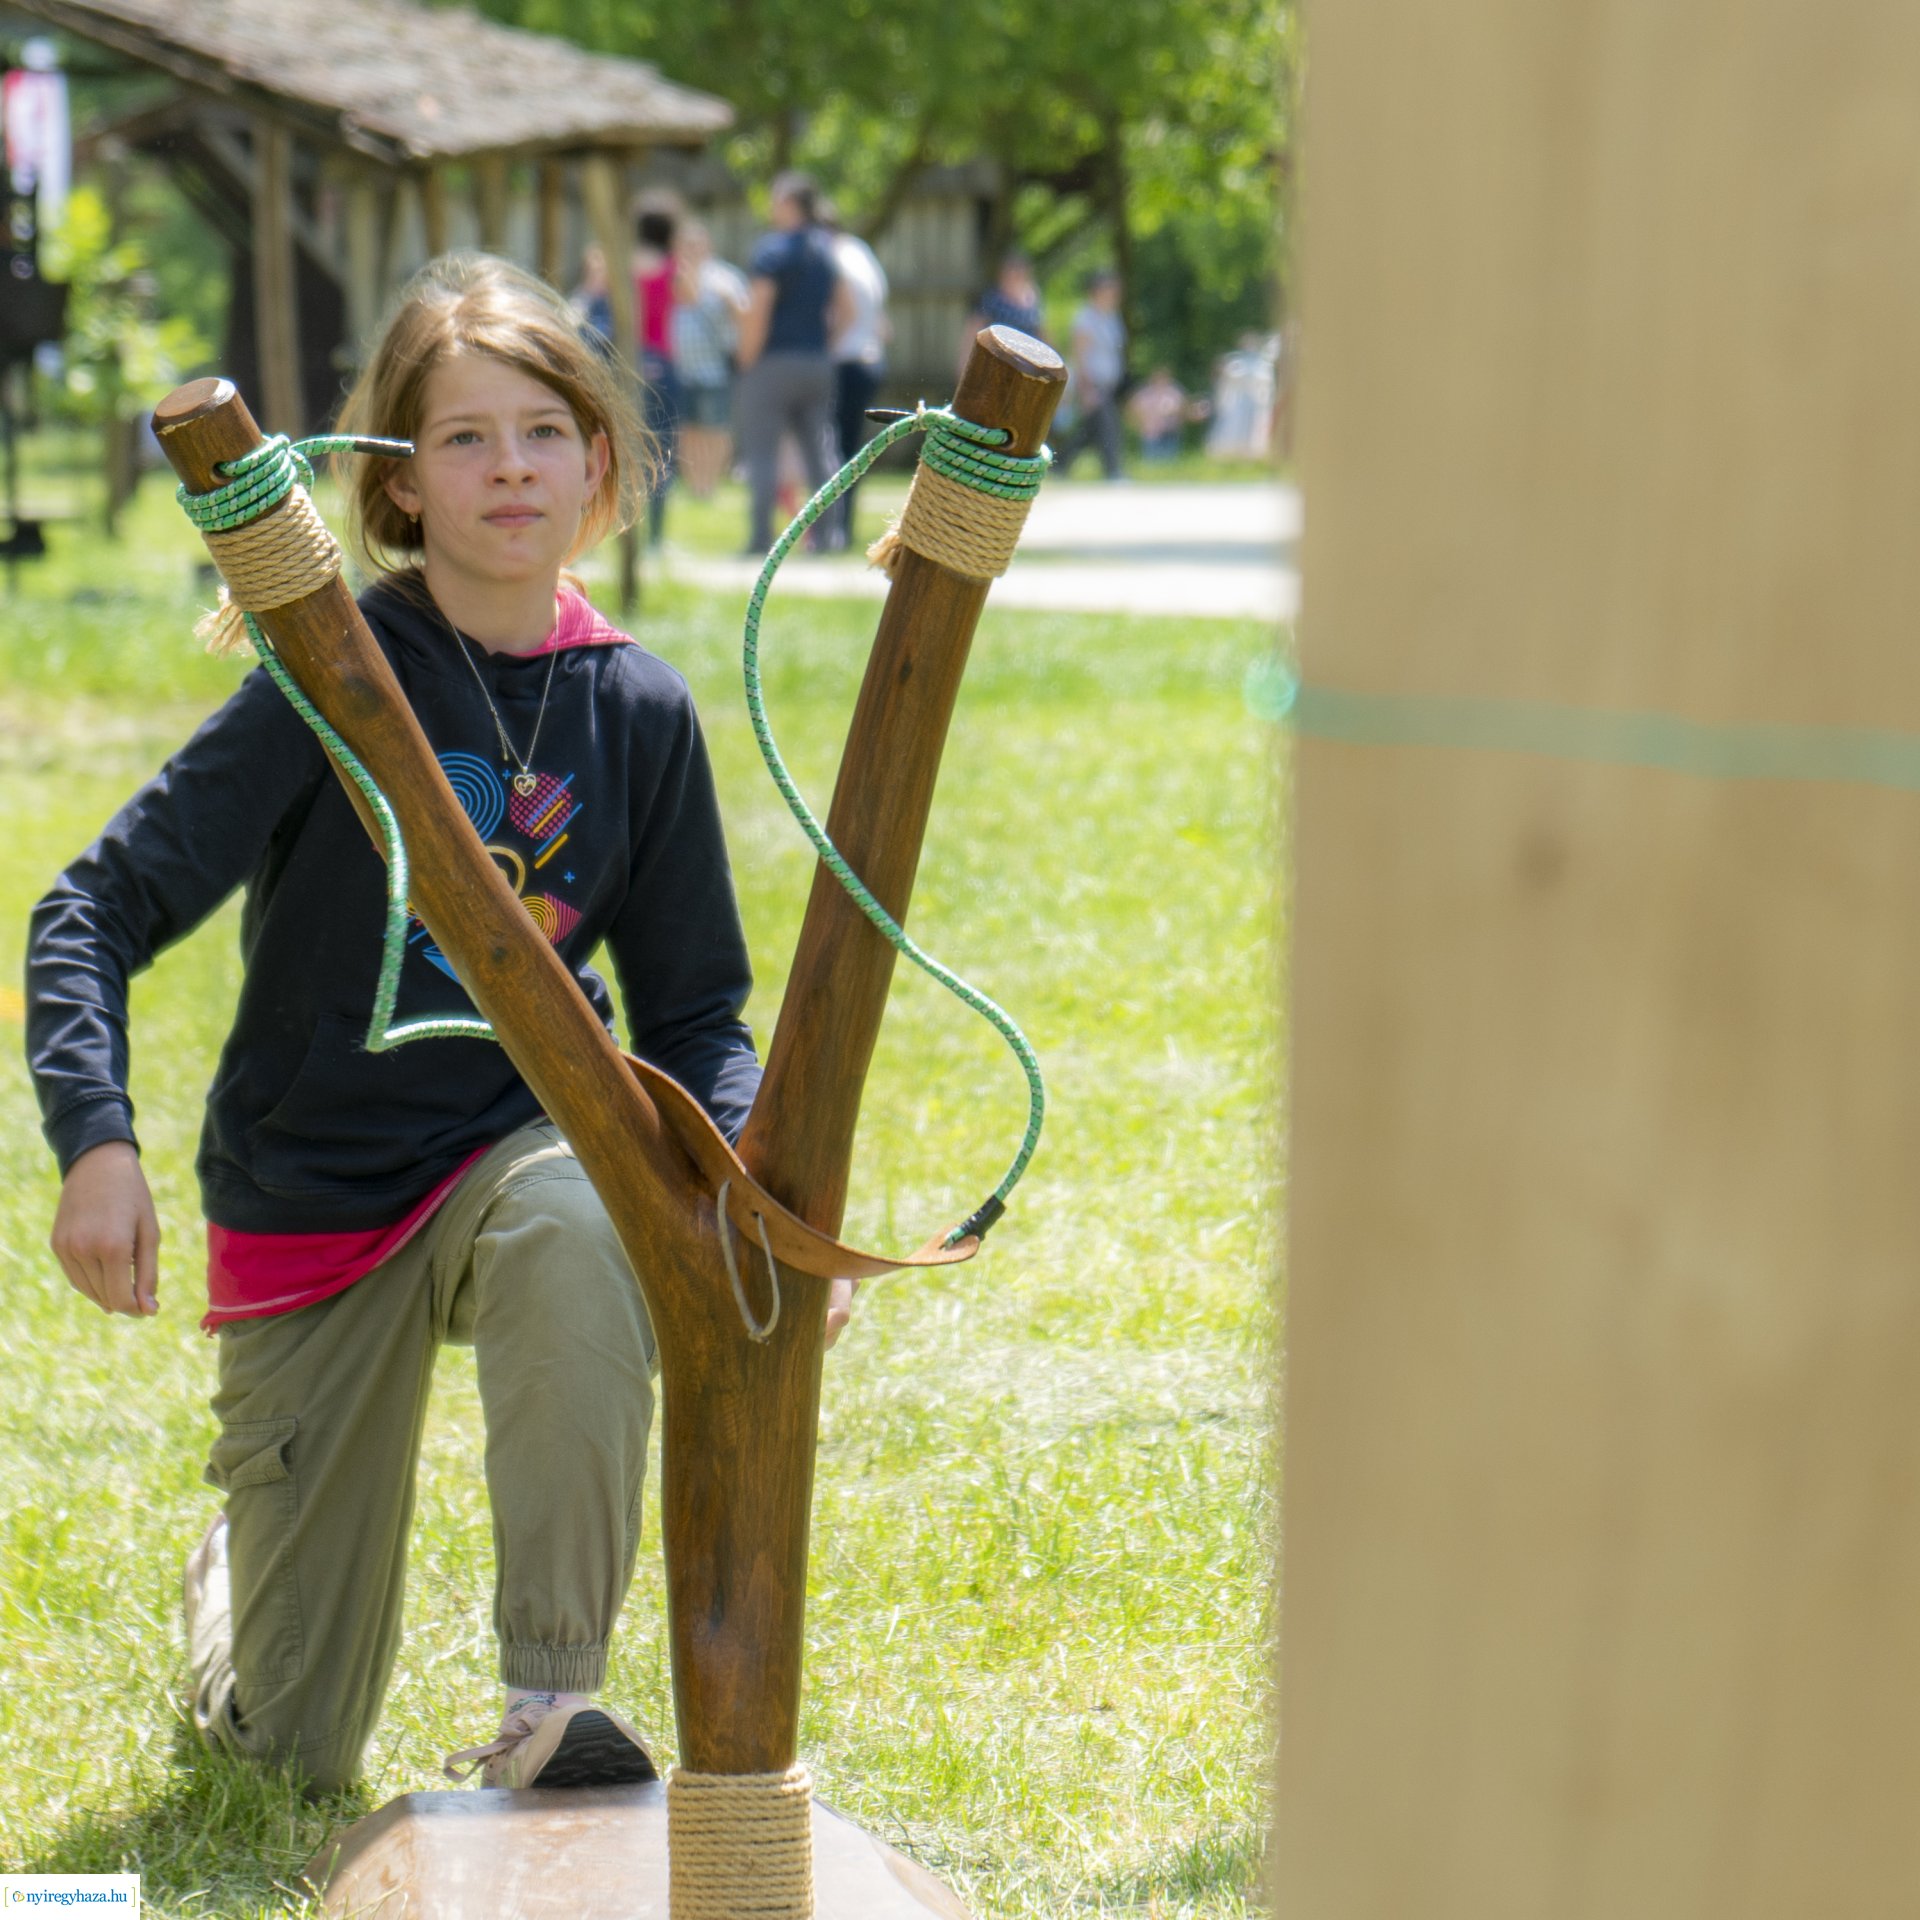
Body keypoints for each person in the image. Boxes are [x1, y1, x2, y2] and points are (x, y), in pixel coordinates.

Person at [26, 253, 856, 1797]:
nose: (509, 468)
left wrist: (756, 1198)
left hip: (518, 1154)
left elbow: (693, 1012)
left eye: (541, 430)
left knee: (580, 1211)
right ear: (401, 489)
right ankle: (240, 1599)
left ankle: (553, 1700)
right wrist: (98, 1143)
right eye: (462, 439)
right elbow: (90, 908)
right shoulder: (328, 677)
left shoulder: (639, 709)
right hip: (312, 1200)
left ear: (599, 461)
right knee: (289, 1756)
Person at [734, 170, 851, 555]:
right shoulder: (827, 251)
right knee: (821, 452)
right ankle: (831, 535)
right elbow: (846, 310)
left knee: (763, 453)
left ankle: (760, 539)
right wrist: (824, 346)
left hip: (773, 364)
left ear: (788, 204)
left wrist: (746, 360)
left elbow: (759, 311)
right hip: (816, 363)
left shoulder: (773, 251)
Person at [821, 198, 889, 551]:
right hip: (870, 358)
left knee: (835, 450)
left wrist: (825, 348)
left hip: (846, 360)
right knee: (850, 449)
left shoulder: (831, 258)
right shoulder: (859, 251)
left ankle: (836, 529)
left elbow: (843, 314)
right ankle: (842, 526)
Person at [669, 220, 749, 498]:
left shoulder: (725, 278)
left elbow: (743, 319)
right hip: (681, 367)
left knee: (715, 429)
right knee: (687, 429)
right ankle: (694, 484)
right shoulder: (670, 277)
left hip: (715, 368)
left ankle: (709, 484)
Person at [632, 196, 682, 545]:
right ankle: (656, 535)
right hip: (663, 362)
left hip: (629, 361)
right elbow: (692, 296)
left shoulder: (626, 265)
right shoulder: (672, 269)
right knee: (663, 449)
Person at [1053, 269, 1128, 481]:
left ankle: (1060, 465)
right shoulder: (1086, 317)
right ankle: (1113, 471)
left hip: (1107, 384)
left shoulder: (1112, 317)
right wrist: (1086, 389)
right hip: (1092, 383)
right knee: (1108, 424)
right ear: (1097, 291)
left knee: (1088, 433)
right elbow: (1081, 355)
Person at [961, 251, 1044, 371]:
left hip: (1028, 365)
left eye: (1020, 270)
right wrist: (964, 363)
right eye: (1012, 270)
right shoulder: (991, 300)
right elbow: (973, 330)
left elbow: (1041, 331)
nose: (1016, 274)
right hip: (998, 364)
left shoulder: (1033, 298)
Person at [1127, 366, 1205, 462]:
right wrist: (1140, 424)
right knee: (1151, 462)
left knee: (1170, 461)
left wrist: (1175, 411)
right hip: (1152, 433)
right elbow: (1132, 409)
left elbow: (1185, 409)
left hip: (1171, 432)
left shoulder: (1174, 392)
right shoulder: (1145, 393)